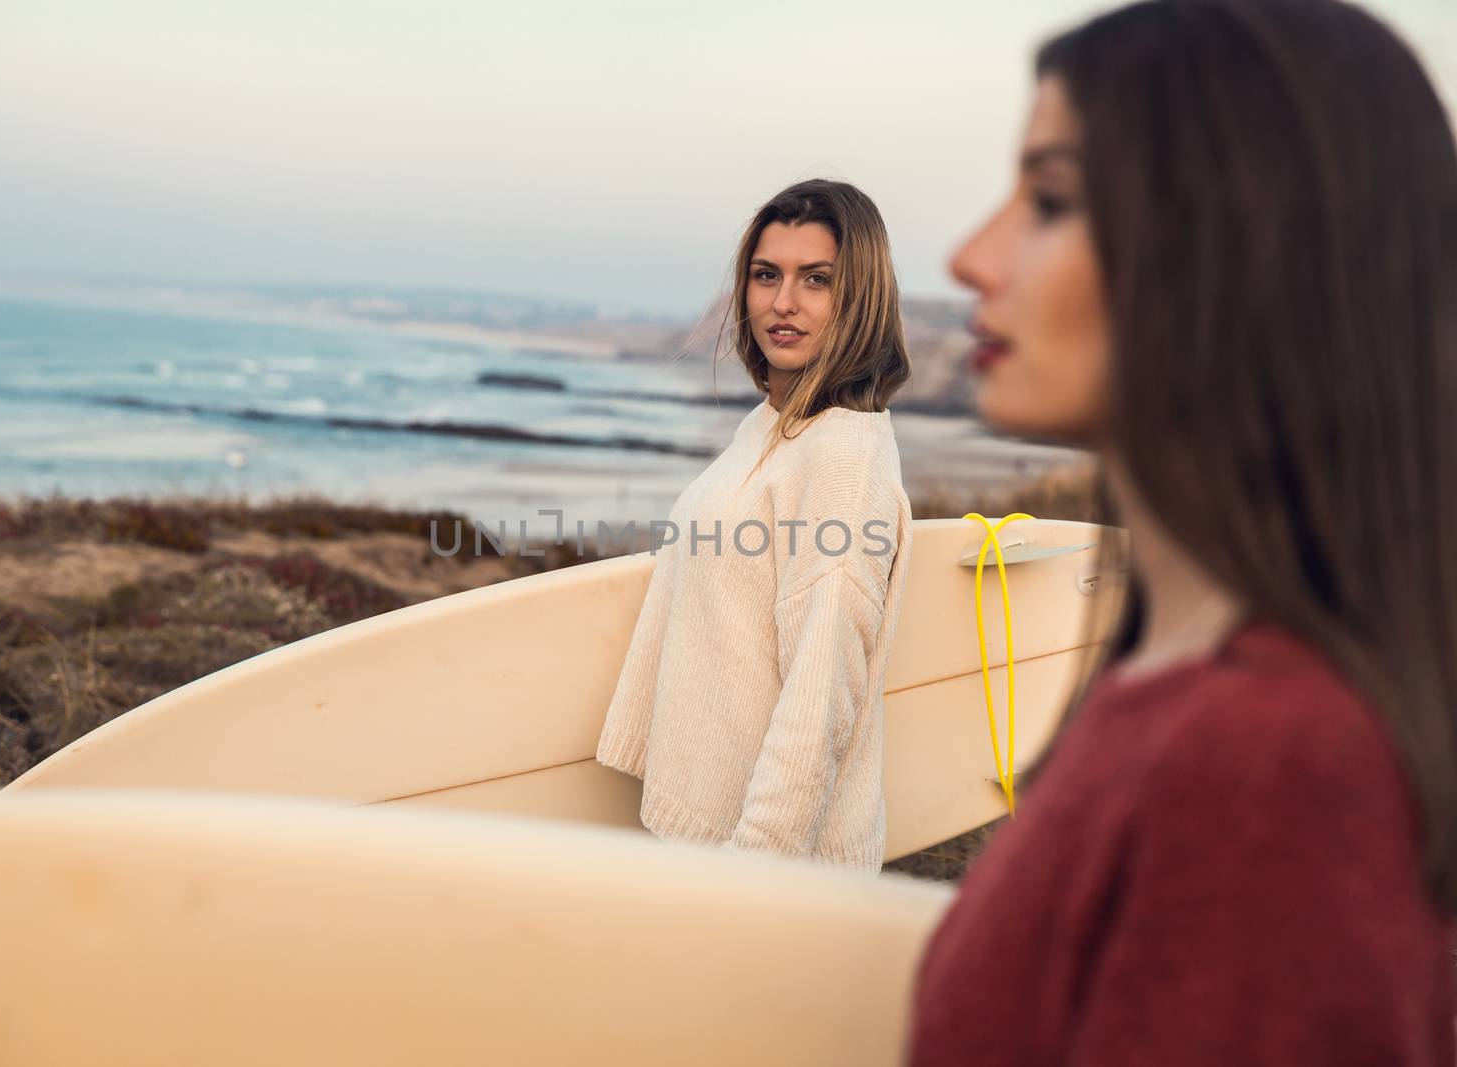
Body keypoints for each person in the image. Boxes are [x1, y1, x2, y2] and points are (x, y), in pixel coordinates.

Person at [905, 0, 1457, 1060]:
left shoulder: (1268, 769)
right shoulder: (1187, 683)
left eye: (1052, 199)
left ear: (1242, 247)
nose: (970, 255)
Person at [595, 179, 913, 873]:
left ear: (860, 299)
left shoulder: (843, 458)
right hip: (710, 838)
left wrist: (754, 870)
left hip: (767, 866)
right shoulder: (773, 425)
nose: (782, 302)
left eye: (817, 280)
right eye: (766, 275)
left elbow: (820, 692)